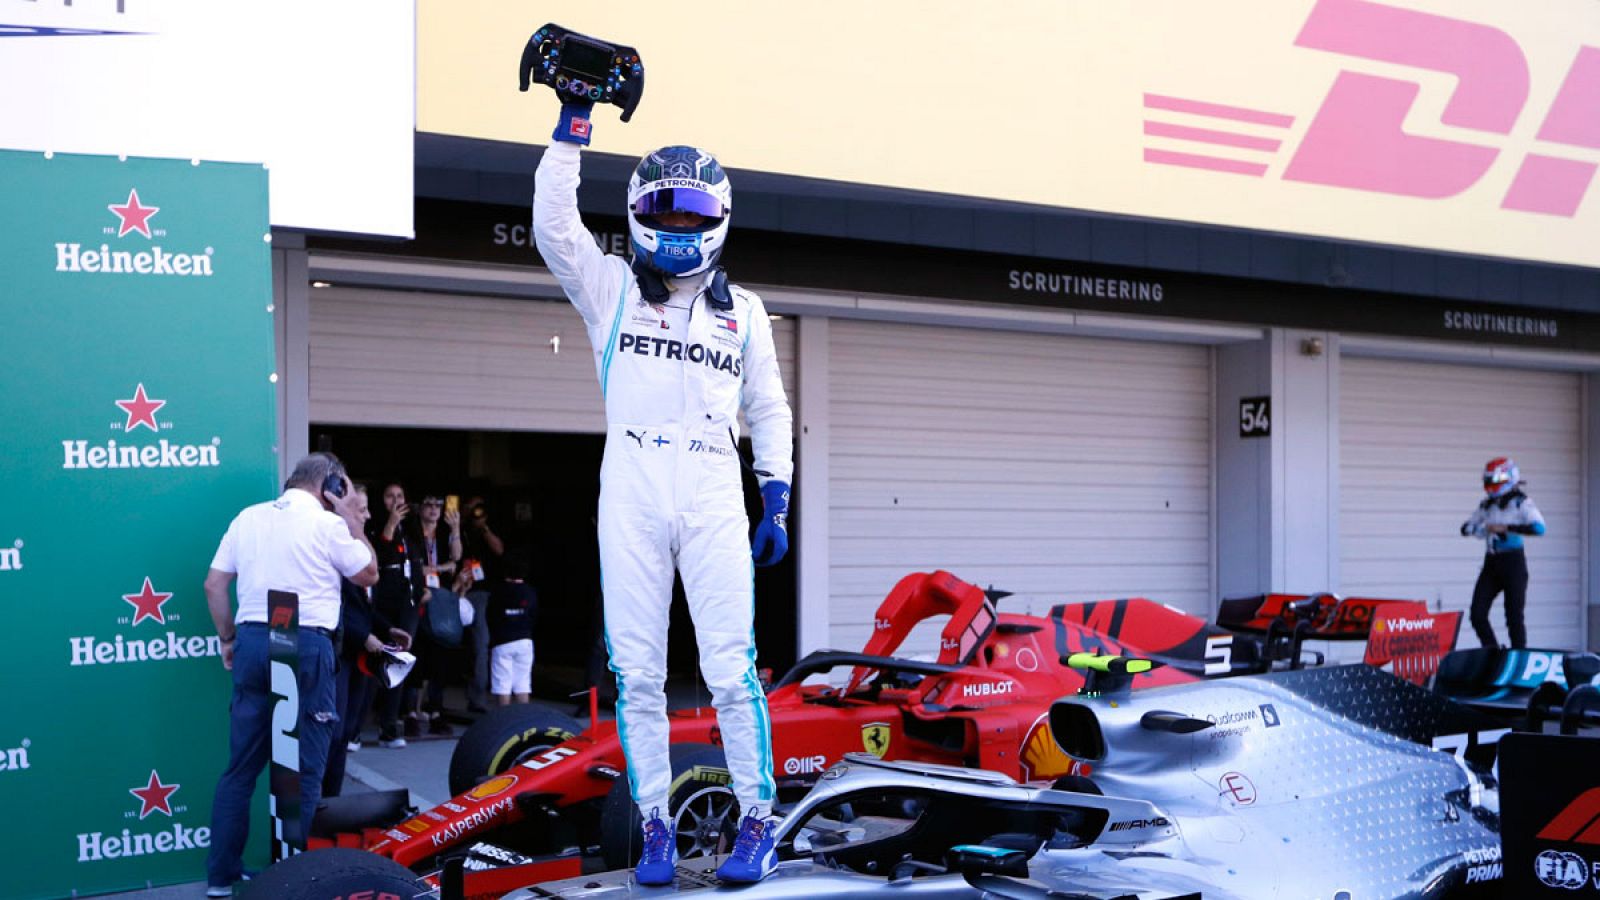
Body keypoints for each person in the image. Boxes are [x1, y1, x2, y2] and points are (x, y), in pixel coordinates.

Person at [533, 95, 793, 884]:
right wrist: (572, 129)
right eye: (662, 209)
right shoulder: (608, 287)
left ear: (719, 218)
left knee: (729, 668)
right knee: (637, 672)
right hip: (633, 483)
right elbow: (553, 227)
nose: (678, 225)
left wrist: (775, 493)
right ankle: (653, 824)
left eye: (694, 211)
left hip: (714, 483)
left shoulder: (745, 312)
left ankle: (757, 818)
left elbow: (770, 405)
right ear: (638, 213)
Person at [202, 452, 378, 897]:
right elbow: (369, 573)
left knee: (240, 769)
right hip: (303, 638)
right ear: (331, 486)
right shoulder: (328, 523)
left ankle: (221, 879)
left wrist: (227, 639)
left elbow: (214, 585)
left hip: (255, 636)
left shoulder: (248, 517)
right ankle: (293, 882)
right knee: (302, 769)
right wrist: (351, 518)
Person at [323, 483, 412, 797]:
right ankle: (323, 802)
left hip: (362, 655)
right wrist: (367, 638)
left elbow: (363, 606)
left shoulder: (360, 550)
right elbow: (337, 607)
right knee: (334, 734)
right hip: (340, 655)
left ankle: (331, 800)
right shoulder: (332, 550)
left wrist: (386, 630)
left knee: (347, 731)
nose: (369, 515)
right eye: (361, 509)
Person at [1460, 457, 1546, 649]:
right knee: (1477, 613)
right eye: (1488, 480)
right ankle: (1491, 651)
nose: (1490, 485)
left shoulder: (1521, 503)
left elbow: (1539, 528)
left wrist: (1505, 528)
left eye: (1494, 481)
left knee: (1514, 617)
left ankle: (1520, 657)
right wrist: (1482, 530)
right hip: (1491, 563)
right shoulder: (1486, 506)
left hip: (1513, 562)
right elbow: (1466, 527)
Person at [369, 482, 427, 747]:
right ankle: (357, 726)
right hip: (384, 602)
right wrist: (390, 524)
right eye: (390, 495)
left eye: (399, 496)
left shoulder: (412, 528)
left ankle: (389, 726)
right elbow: (376, 557)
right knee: (376, 659)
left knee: (400, 660)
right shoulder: (373, 524)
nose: (395, 500)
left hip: (409, 603)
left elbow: (420, 562)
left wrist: (423, 590)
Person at [488, 547, 538, 705]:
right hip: (525, 640)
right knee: (523, 683)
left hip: (502, 641)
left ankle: (505, 722)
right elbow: (534, 615)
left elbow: (490, 616)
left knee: (502, 685)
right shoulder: (530, 592)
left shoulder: (497, 591)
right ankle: (525, 723)